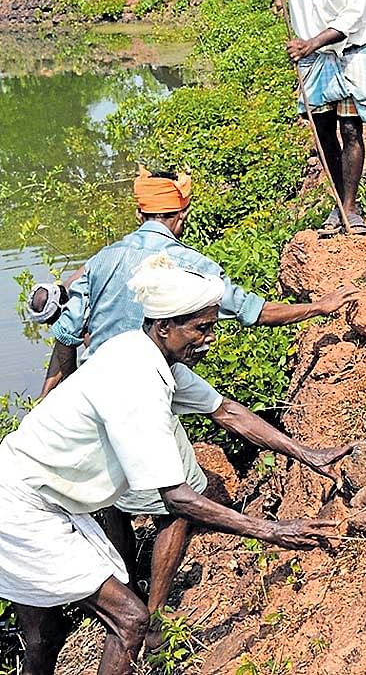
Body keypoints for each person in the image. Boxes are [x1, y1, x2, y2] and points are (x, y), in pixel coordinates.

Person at [43, 167, 358, 648]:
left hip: (93, 388)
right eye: (202, 330)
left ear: (140, 211)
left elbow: (66, 334)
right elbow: (257, 312)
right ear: (183, 215)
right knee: (180, 500)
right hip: (136, 398)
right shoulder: (191, 270)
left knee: (115, 498)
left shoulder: (101, 261)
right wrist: (318, 308)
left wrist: (51, 392)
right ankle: (148, 620)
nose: (208, 339)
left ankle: (124, 585)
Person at [0, 257, 340, 675]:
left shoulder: (143, 352)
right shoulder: (136, 380)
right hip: (22, 507)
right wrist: (273, 530)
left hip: (34, 493)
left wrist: (308, 453)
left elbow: (227, 412)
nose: (209, 339)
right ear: (165, 327)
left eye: (211, 327)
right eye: (200, 328)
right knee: (130, 619)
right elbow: (176, 498)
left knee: (44, 637)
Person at [254, 0, 366, 237]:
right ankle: (336, 205)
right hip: (311, 59)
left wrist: (311, 44)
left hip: (349, 52)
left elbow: (353, 16)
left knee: (351, 129)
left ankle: (350, 209)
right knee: (323, 135)